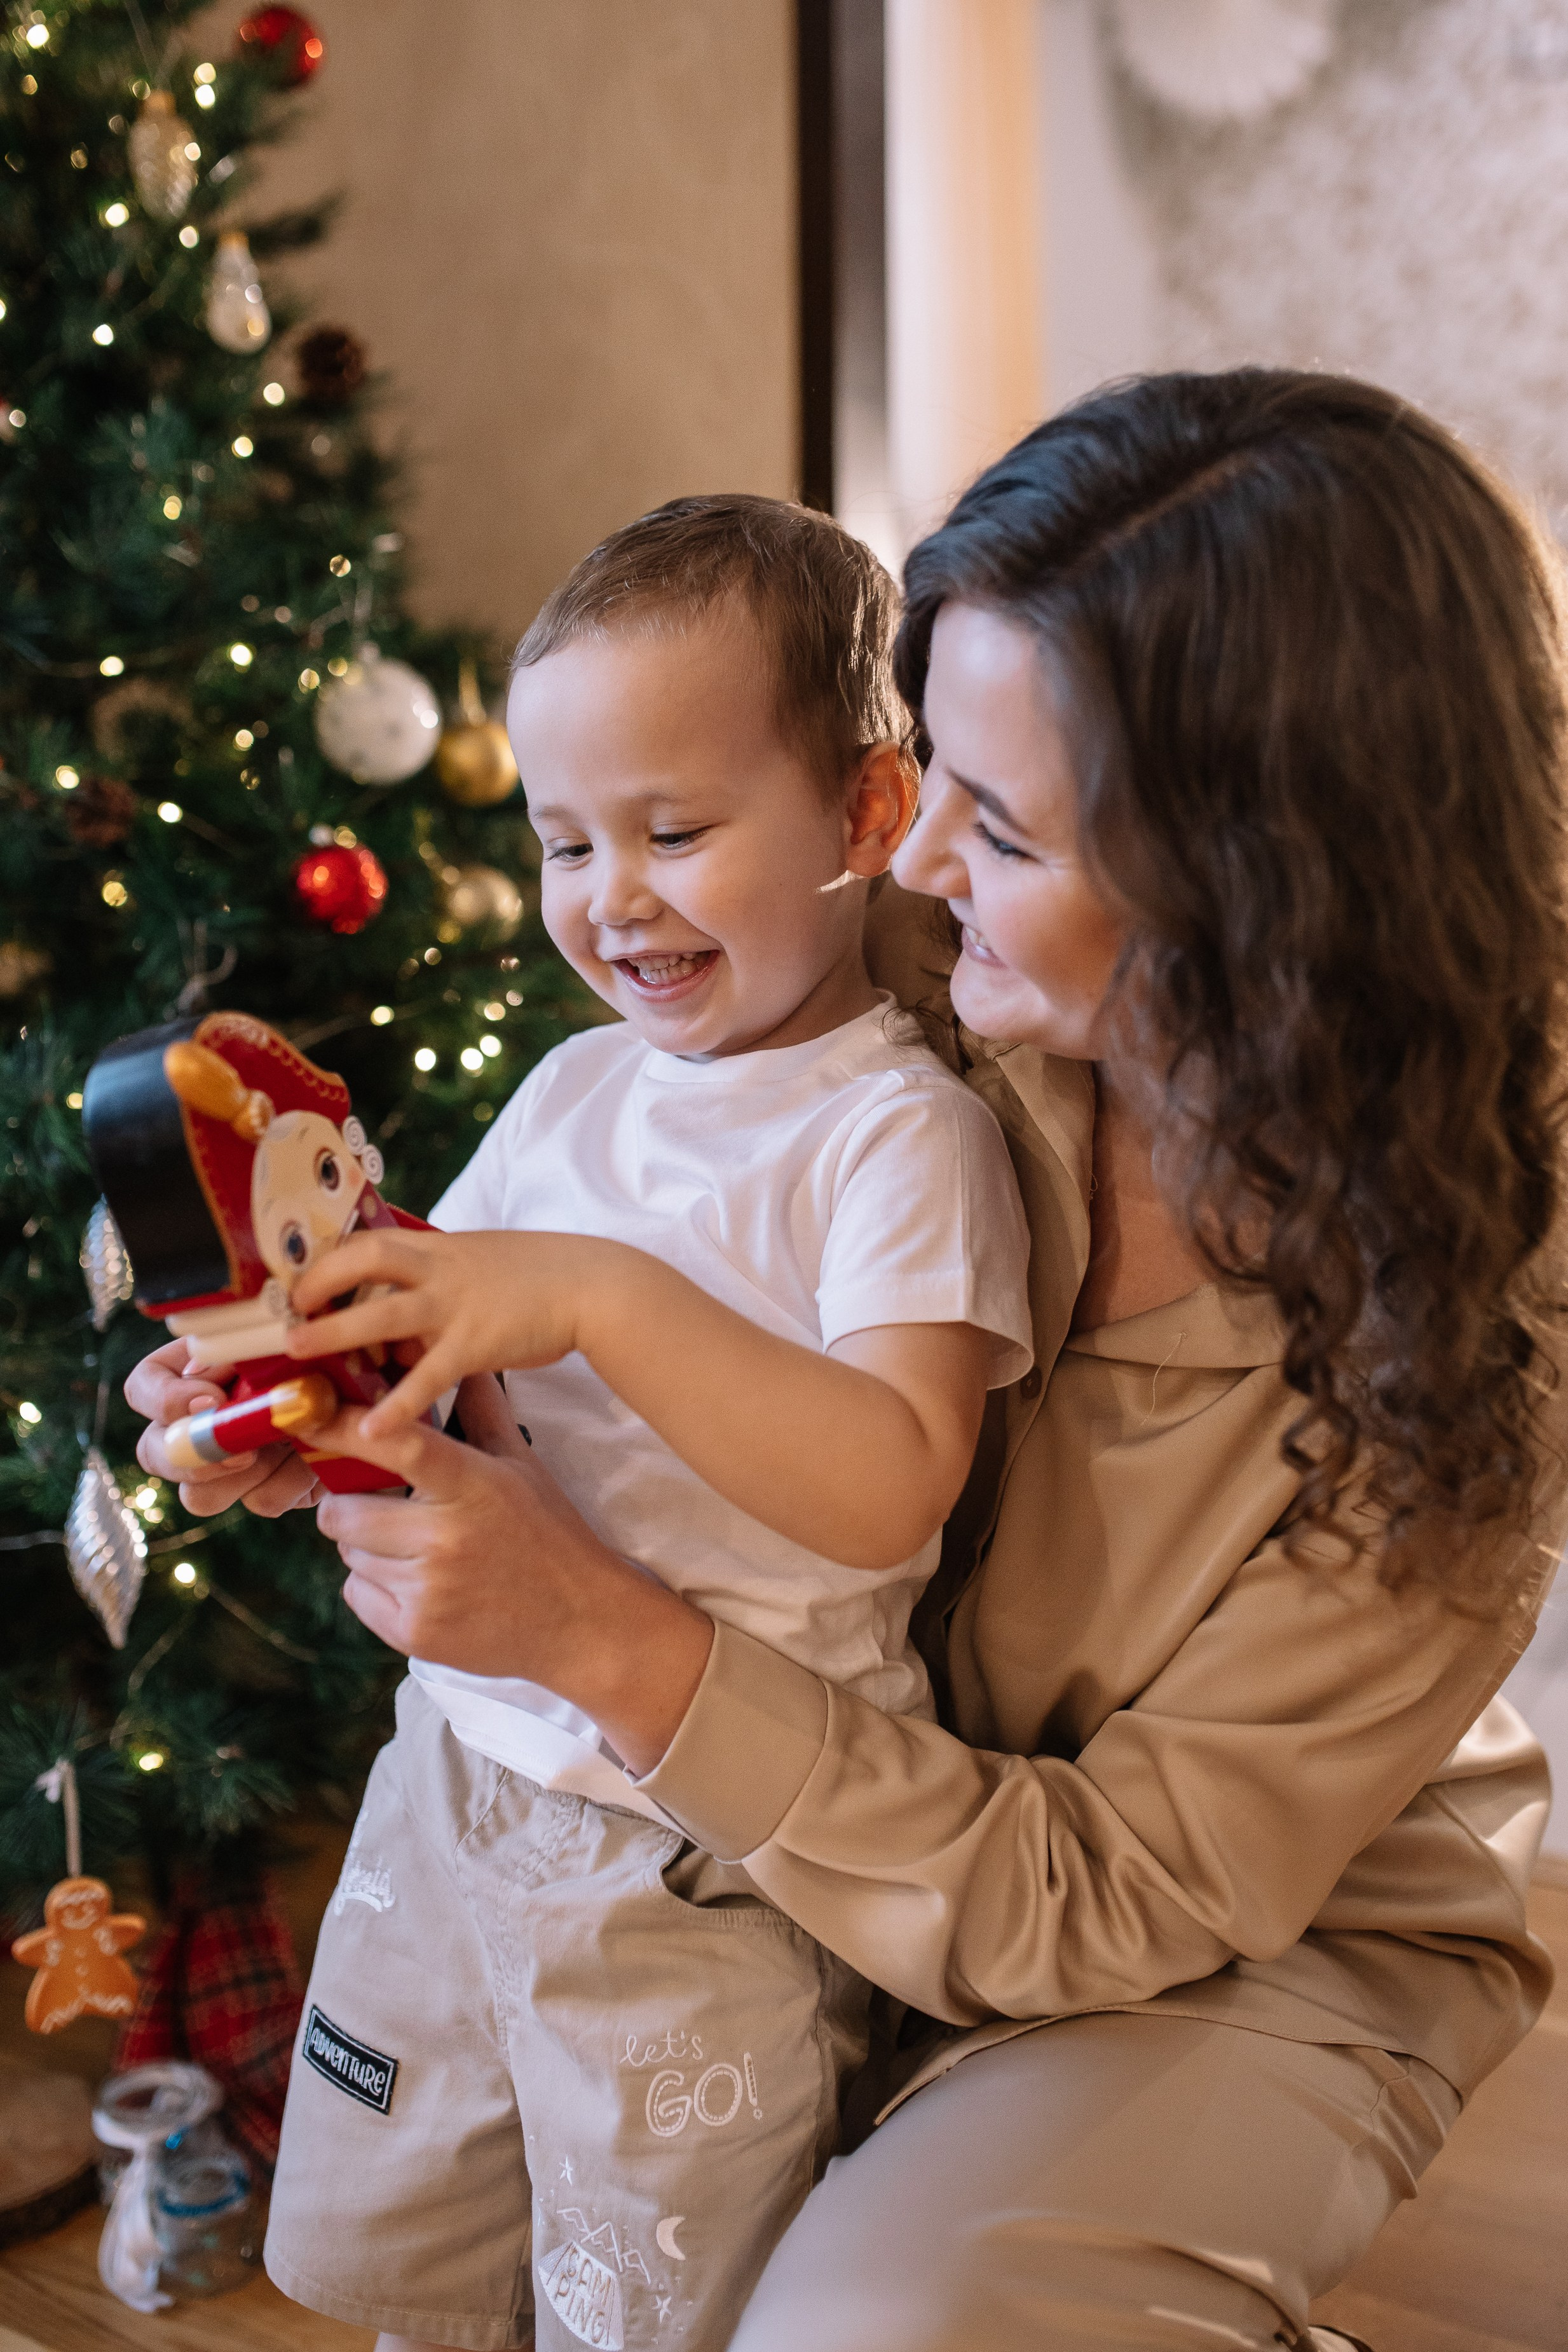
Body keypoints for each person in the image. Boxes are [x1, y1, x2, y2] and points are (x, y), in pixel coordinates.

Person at [130, 369, 1567, 2352]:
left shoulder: (1483, 1318)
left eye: (998, 823)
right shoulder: (876, 963)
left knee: (875, 2326)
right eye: (925, 781)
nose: (904, 866)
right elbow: (546, 1277)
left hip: (1184, 1924)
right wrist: (335, 1393)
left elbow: (1105, 1888)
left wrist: (605, 1636)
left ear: (1252, 897)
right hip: (784, 1787)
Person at [133, 493, 1034, 2352]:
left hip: (696, 1859)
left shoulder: (894, 1135)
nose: (608, 896)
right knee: (425, 2257)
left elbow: (890, 1482)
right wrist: (264, 1402)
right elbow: (423, 1338)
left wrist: (600, 1297)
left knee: (649, 2293)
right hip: (452, 1775)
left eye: (674, 830)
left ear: (866, 815)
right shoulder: (568, 1085)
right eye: (561, 841)